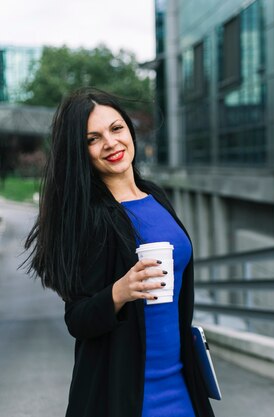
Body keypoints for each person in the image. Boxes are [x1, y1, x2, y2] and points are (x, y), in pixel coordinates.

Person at [23, 87, 215, 417]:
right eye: (92, 139)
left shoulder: (154, 195)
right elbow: (77, 318)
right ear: (80, 151)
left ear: (129, 129)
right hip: (126, 396)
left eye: (116, 128)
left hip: (184, 387)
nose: (111, 143)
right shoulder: (91, 217)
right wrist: (119, 292)